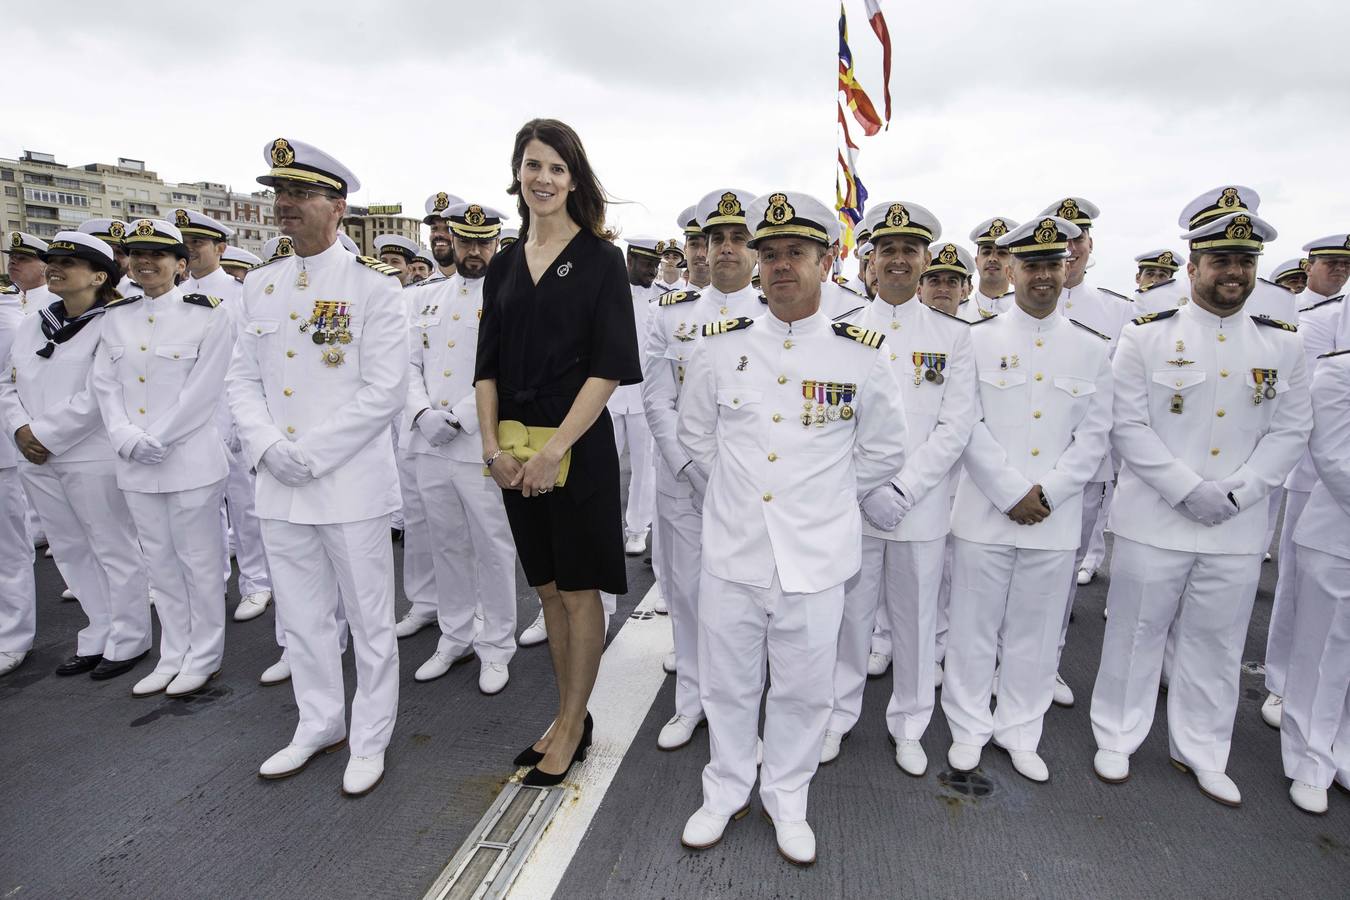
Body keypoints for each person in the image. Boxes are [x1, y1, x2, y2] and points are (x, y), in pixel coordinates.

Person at [675, 190, 907, 866]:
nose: (779, 266)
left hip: (815, 555)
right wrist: (742, 496)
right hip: (734, 548)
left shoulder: (859, 352)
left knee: (805, 688)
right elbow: (697, 435)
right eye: (768, 254)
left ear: (828, 261)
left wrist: (824, 496)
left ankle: (787, 794)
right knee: (727, 682)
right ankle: (724, 788)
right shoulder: (719, 347)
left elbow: (885, 449)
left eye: (796, 254)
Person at [1089, 209, 1311, 807]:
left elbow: (1291, 432)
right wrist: (1185, 487)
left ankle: (1204, 750)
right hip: (1155, 519)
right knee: (1135, 632)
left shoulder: (1284, 346)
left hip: (1235, 527)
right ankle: (1117, 734)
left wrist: (1238, 492)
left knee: (1216, 644)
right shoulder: (1146, 334)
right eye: (1220, 260)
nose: (1233, 272)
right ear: (1193, 266)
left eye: (1244, 262)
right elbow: (1126, 424)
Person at [227, 137, 408, 797]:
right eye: (279, 194)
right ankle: (319, 722)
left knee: (367, 622)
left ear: (337, 206)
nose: (284, 205)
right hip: (279, 483)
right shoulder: (264, 285)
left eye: (299, 195)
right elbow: (242, 380)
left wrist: (311, 452)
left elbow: (383, 390)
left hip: (348, 483)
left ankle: (369, 738)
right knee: (303, 620)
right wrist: (270, 447)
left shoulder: (374, 288)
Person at [474, 118, 641, 787]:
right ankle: (566, 712)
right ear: (517, 172)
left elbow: (607, 368)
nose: (542, 179)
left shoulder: (602, 259)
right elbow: (485, 368)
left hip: (573, 449)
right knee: (544, 589)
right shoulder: (506, 263)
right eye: (532, 165)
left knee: (577, 590)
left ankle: (573, 722)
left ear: (574, 178)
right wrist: (492, 451)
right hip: (513, 451)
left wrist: (554, 452)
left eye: (556, 168)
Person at [941, 215, 1112, 783]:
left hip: (1054, 521)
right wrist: (1012, 492)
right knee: (972, 628)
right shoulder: (974, 339)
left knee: (1036, 635)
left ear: (1068, 268)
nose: (1042, 276)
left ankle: (1020, 730)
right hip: (985, 513)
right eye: (1031, 265)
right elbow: (964, 421)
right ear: (1010, 268)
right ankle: (967, 727)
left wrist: (1051, 493)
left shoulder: (1092, 349)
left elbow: (1095, 435)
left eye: (1052, 265)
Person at [823, 208, 976, 779]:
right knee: (850, 619)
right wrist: (867, 490)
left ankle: (910, 723)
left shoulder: (954, 337)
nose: (898, 259)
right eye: (887, 248)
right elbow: (833, 420)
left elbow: (955, 428)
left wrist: (904, 489)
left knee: (913, 623)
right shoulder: (840, 326)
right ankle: (837, 714)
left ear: (927, 260)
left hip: (920, 507)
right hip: (854, 504)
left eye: (910, 249)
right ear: (869, 259)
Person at [91, 219, 235, 698]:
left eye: (158, 254)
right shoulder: (115, 317)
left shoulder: (209, 313)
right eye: (136, 254)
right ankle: (173, 652)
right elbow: (105, 386)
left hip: (189, 460)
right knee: (160, 563)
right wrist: (125, 436)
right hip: (135, 460)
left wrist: (161, 437)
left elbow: (205, 390)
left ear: (181, 263)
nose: (146, 262)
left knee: (199, 562)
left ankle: (205, 655)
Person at [0, 231, 152, 679]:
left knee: (112, 546)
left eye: (69, 263)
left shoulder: (115, 323)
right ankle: (98, 630)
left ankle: (129, 638)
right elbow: (8, 383)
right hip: (35, 455)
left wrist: (43, 434)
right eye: (52, 261)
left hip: (91, 454)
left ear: (99, 275)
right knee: (69, 549)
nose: (55, 268)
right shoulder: (33, 322)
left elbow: (99, 394)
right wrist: (20, 429)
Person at [643, 187, 761, 750]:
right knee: (688, 595)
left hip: (752, 488)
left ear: (756, 250)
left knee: (747, 601)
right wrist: (687, 465)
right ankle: (690, 699)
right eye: (717, 239)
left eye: (740, 238)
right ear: (703, 248)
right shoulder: (673, 317)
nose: (727, 249)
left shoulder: (775, 316)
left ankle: (740, 703)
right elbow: (656, 399)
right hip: (683, 481)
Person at [406, 202, 517, 694]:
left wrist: (463, 417)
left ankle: (496, 645)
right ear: (451, 239)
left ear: (496, 243)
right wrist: (422, 414)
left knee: (493, 546)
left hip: (481, 442)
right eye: (466, 241)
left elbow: (513, 367)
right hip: (431, 442)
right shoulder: (425, 299)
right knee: (445, 543)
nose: (474, 251)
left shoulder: (514, 296)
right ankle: (454, 635)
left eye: (483, 242)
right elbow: (406, 364)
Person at [1038, 197, 1131, 707]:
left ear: (1090, 246)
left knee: (1063, 571)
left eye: (1079, 238)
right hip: (1019, 466)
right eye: (1062, 239)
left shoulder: (1121, 311)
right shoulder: (1016, 305)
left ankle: (1048, 662)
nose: (1070, 248)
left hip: (1084, 467)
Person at [1260, 232, 1350, 728]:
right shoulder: (1311, 320)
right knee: (1297, 583)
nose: (1337, 272)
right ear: (1311, 264)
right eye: (1330, 263)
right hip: (1315, 470)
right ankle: (1280, 681)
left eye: (1345, 265)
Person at [1280, 347, 1350, 814]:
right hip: (1338, 533)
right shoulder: (1340, 369)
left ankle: (1340, 749)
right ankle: (1309, 759)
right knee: (1323, 651)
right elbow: (1331, 454)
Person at [608, 236, 661, 556]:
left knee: (645, 469)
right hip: (608, 395)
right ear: (630, 261)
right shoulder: (608, 293)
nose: (652, 271)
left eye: (656, 265)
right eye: (647, 264)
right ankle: (602, 524)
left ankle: (638, 529)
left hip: (644, 396)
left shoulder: (664, 299)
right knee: (604, 466)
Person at [0, 278, 35, 676]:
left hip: (5, 450)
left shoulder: (7, 322)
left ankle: (12, 636)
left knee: (7, 551)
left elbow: (9, 384)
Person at [962, 218, 1017, 321]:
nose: (992, 259)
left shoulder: (1025, 314)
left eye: (1002, 253)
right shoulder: (957, 314)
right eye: (986, 252)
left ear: (1013, 264)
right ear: (977, 261)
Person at [78, 219, 134, 295]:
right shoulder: (65, 292)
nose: (112, 258)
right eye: (105, 250)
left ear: (131, 260)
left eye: (119, 252)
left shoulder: (142, 296)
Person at [5, 232, 52, 316]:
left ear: (45, 268)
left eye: (22, 258)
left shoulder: (57, 300)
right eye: (11, 257)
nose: (12, 261)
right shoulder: (3, 296)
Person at [425, 191, 464, 278]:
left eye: (448, 229)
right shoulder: (423, 289)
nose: (438, 234)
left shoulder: (482, 285)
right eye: (434, 228)